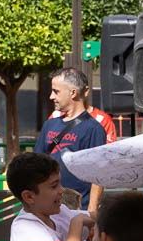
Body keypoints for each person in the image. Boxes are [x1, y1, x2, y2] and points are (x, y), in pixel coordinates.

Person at [34, 68, 106, 213]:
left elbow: (99, 174)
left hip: (77, 209)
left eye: (56, 91)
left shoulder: (94, 129)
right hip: (48, 207)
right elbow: (36, 164)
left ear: (73, 93)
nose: (51, 96)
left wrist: (92, 211)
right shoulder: (50, 124)